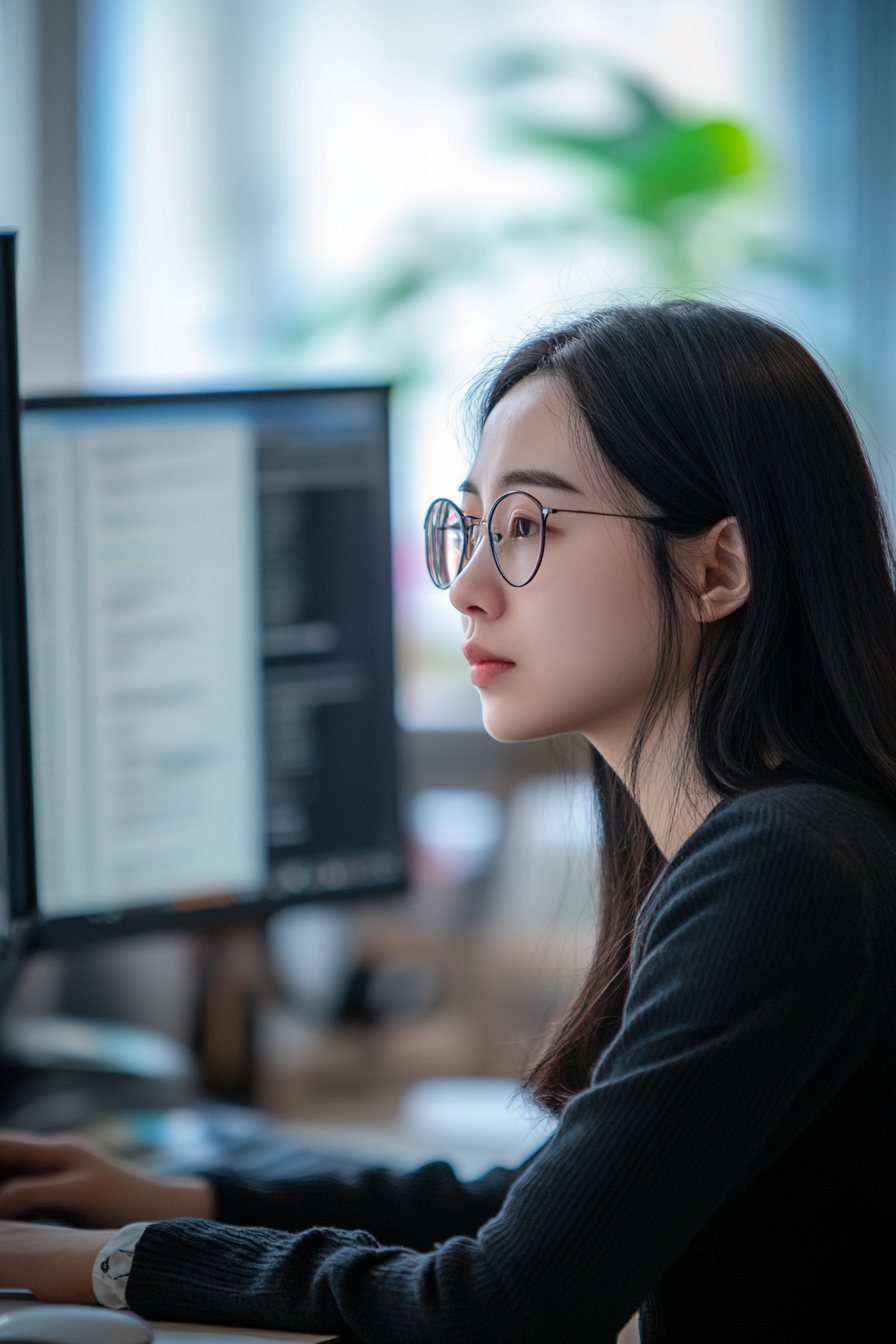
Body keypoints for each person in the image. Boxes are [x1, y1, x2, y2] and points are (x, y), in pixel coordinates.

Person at [0, 300, 894, 1343]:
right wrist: (180, 1198)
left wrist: (113, 1265)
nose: (466, 589)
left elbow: (505, 1303)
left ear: (715, 570)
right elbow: (545, 1214)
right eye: (467, 526)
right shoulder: (793, 842)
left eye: (525, 528)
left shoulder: (783, 865)